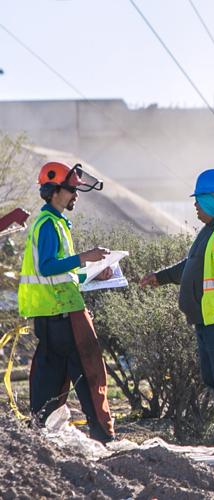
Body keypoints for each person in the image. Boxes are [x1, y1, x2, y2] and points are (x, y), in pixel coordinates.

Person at [140, 168, 214, 453]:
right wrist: (159, 277)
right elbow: (191, 267)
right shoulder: (212, 230)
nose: (195, 205)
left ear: (212, 199)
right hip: (210, 320)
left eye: (198, 199)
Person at [18, 161, 116, 443]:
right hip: (66, 315)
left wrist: (93, 273)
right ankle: (104, 438)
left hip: (50, 317)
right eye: (71, 189)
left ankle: (39, 438)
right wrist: (84, 257)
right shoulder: (50, 224)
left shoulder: (53, 222)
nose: (75, 195)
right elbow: (49, 267)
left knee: (47, 380)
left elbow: (61, 271)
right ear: (54, 191)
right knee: (90, 373)